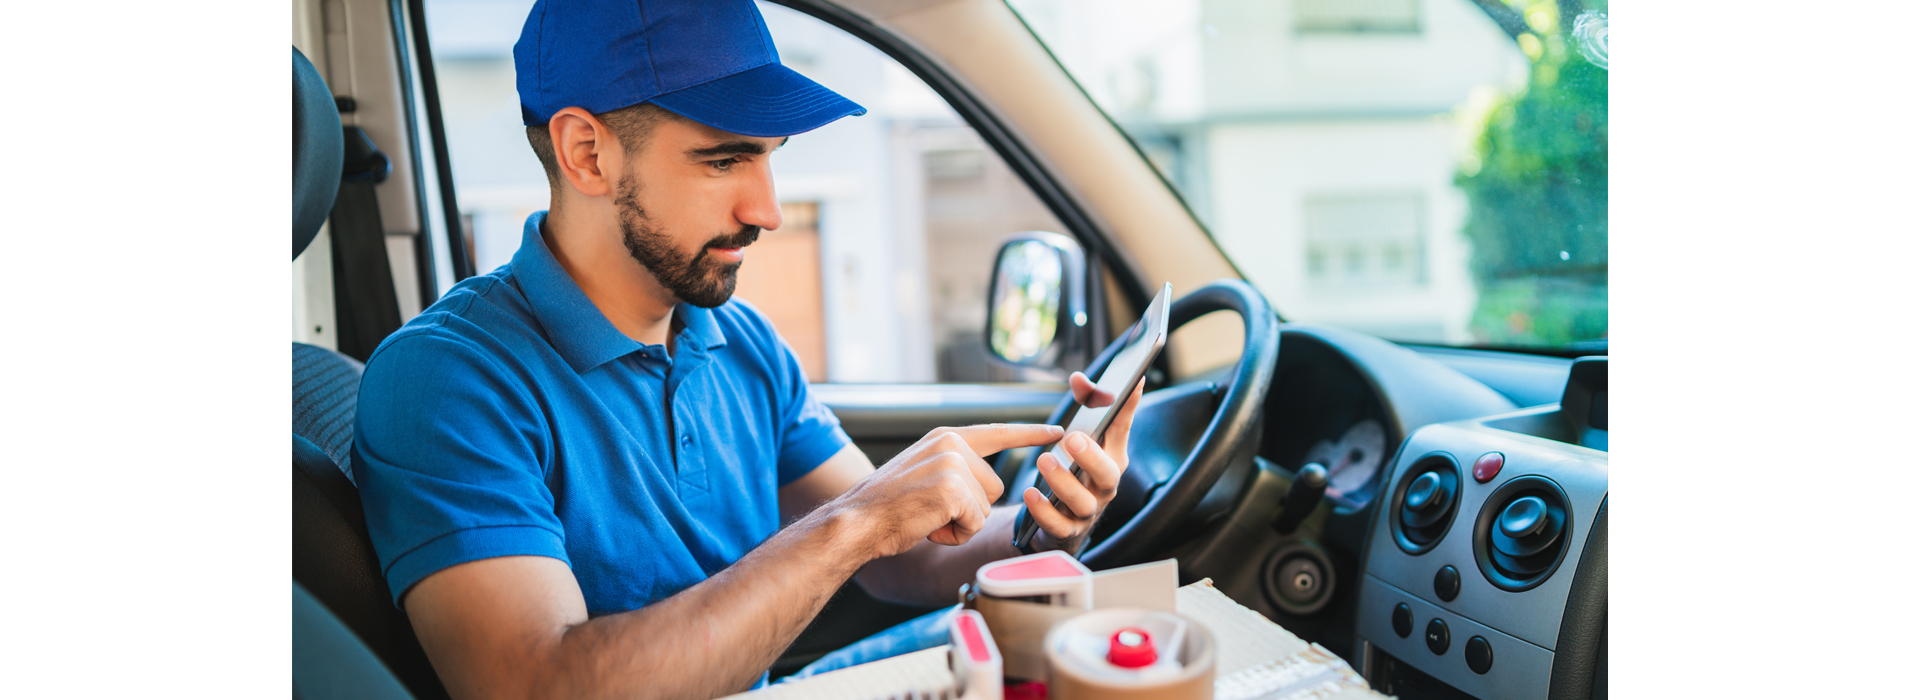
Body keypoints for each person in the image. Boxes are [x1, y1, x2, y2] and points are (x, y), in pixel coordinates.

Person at [351, 1, 1143, 698]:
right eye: (725, 159)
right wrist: (857, 520)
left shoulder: (741, 341)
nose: (765, 208)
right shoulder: (445, 380)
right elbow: (538, 685)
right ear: (587, 153)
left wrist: (1040, 528)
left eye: (769, 156)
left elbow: (904, 562)